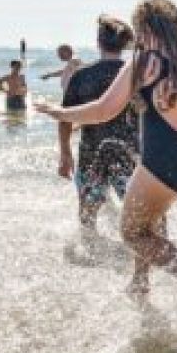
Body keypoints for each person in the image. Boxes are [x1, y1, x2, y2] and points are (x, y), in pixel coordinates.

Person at [37, 0, 177, 301]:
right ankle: (140, 281)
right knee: (150, 218)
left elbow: (102, 111)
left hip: (164, 164)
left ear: (146, 29)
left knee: (133, 233)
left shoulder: (145, 63)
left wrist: (59, 112)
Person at [58, 16, 140, 237]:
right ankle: (143, 254)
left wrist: (65, 153)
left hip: (91, 151)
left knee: (88, 211)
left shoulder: (82, 76)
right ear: (125, 44)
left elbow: (65, 117)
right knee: (138, 210)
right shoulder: (136, 75)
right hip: (130, 151)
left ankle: (91, 251)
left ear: (98, 42)